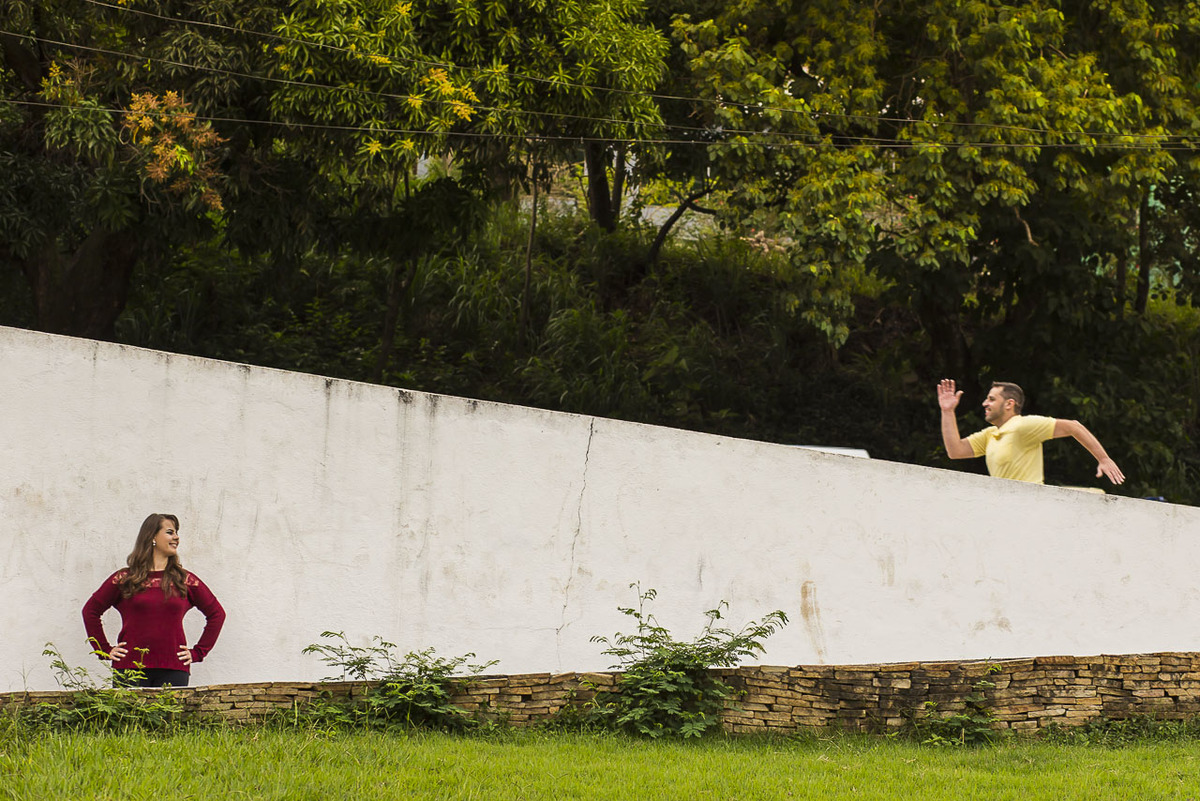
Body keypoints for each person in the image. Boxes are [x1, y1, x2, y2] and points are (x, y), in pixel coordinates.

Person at [82, 513, 226, 687]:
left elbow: (217, 614)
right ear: (152, 537)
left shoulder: (185, 580)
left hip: (174, 669)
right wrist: (104, 650)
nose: (176, 537)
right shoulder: (125, 578)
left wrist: (197, 653)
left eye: (176, 533)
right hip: (130, 669)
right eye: (170, 532)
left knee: (170, 715)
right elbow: (90, 611)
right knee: (129, 715)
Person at [937, 379, 1125, 485]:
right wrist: (947, 411)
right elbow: (956, 451)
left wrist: (1103, 459)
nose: (985, 403)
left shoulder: (1022, 426)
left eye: (992, 399)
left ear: (1009, 404)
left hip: (1030, 507)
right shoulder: (990, 435)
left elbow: (1073, 426)